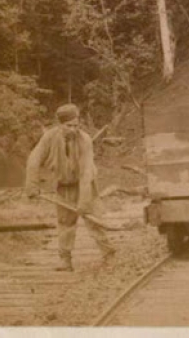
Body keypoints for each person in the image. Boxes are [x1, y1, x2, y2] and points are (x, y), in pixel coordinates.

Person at [24, 104, 115, 271]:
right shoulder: (49, 137)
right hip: (63, 187)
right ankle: (66, 261)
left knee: (94, 221)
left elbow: (86, 173)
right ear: (60, 125)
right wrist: (32, 185)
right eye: (69, 126)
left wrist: (84, 201)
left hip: (85, 185)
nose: (73, 129)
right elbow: (33, 160)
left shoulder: (84, 139)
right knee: (65, 223)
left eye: (76, 125)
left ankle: (108, 255)